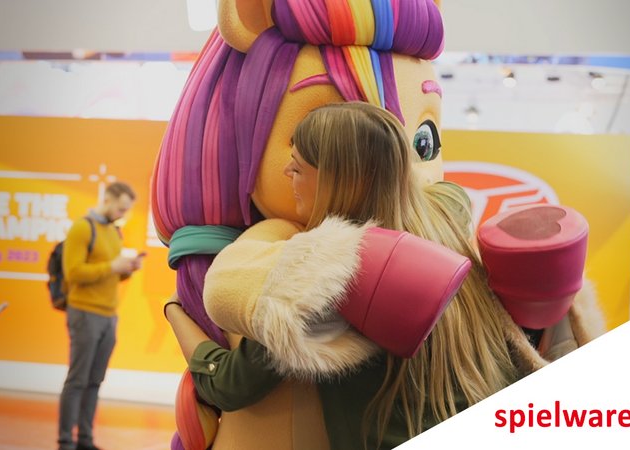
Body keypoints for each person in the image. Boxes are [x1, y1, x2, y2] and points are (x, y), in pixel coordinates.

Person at [165, 102, 550, 449]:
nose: (286, 172)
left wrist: (175, 311)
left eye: (298, 167)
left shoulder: (330, 271)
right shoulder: (447, 225)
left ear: (336, 181)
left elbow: (228, 385)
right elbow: (450, 195)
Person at [57, 181, 144, 450]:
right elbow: (73, 273)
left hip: (108, 315)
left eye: (126, 210)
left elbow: (110, 274)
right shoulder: (83, 228)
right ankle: (65, 441)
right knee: (78, 380)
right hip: (84, 312)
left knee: (95, 381)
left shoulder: (114, 231)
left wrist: (127, 269)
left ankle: (85, 439)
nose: (123, 214)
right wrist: (112, 266)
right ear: (107, 199)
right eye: (121, 208)